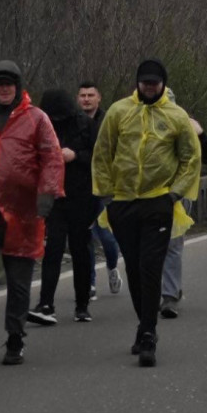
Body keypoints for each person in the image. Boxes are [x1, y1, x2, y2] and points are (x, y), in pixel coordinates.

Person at [91, 59, 201, 367]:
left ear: (163, 83)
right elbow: (102, 154)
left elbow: (191, 158)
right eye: (144, 82)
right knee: (135, 268)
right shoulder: (118, 112)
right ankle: (144, 323)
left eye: (154, 82)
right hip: (123, 201)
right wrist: (108, 195)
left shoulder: (176, 116)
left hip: (158, 201)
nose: (149, 87)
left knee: (151, 266)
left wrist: (174, 193)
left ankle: (150, 334)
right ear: (137, 83)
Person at [0, 62, 64, 366]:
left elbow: (52, 158)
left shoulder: (37, 119)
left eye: (9, 83)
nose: (4, 89)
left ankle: (15, 336)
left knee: (18, 281)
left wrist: (47, 194)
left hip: (24, 213)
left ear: (18, 86)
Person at [27, 89, 98, 326]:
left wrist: (75, 155)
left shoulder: (86, 125)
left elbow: (99, 156)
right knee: (53, 250)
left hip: (81, 196)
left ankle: (82, 304)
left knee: (80, 250)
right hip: (55, 195)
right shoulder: (43, 126)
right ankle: (46, 303)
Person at [159, 90, 207, 319]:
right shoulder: (140, 125)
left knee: (172, 243)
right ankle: (156, 290)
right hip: (148, 192)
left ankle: (169, 295)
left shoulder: (187, 126)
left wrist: (200, 134)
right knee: (151, 245)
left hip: (179, 193)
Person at [78, 82, 122, 299]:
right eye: (83, 95)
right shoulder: (74, 123)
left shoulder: (109, 120)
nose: (86, 99)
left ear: (99, 98)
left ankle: (112, 266)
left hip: (105, 187)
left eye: (90, 95)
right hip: (82, 187)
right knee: (85, 235)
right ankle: (90, 283)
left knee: (106, 236)